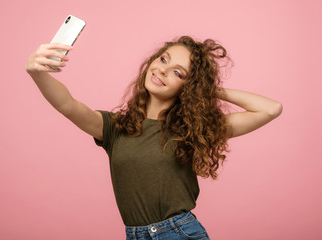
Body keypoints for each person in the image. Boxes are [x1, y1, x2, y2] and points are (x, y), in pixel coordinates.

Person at [26, 36, 282, 240]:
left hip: (179, 233)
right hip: (135, 235)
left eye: (178, 73)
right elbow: (68, 105)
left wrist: (208, 89)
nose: (162, 70)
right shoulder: (115, 128)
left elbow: (270, 108)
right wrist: (37, 72)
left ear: (188, 86)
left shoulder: (193, 129)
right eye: (163, 59)